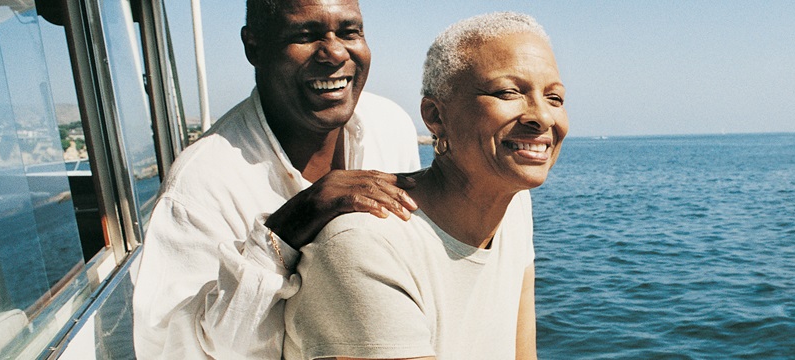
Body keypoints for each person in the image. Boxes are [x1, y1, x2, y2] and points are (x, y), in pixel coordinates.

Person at [131, 0, 421, 358]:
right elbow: (171, 351)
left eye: (349, 32)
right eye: (305, 35)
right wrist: (282, 233)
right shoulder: (199, 186)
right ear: (254, 47)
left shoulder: (390, 125)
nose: (333, 52)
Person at [284, 12, 568, 360]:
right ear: (435, 116)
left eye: (555, 98)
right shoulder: (364, 247)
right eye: (508, 92)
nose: (542, 116)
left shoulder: (515, 205)